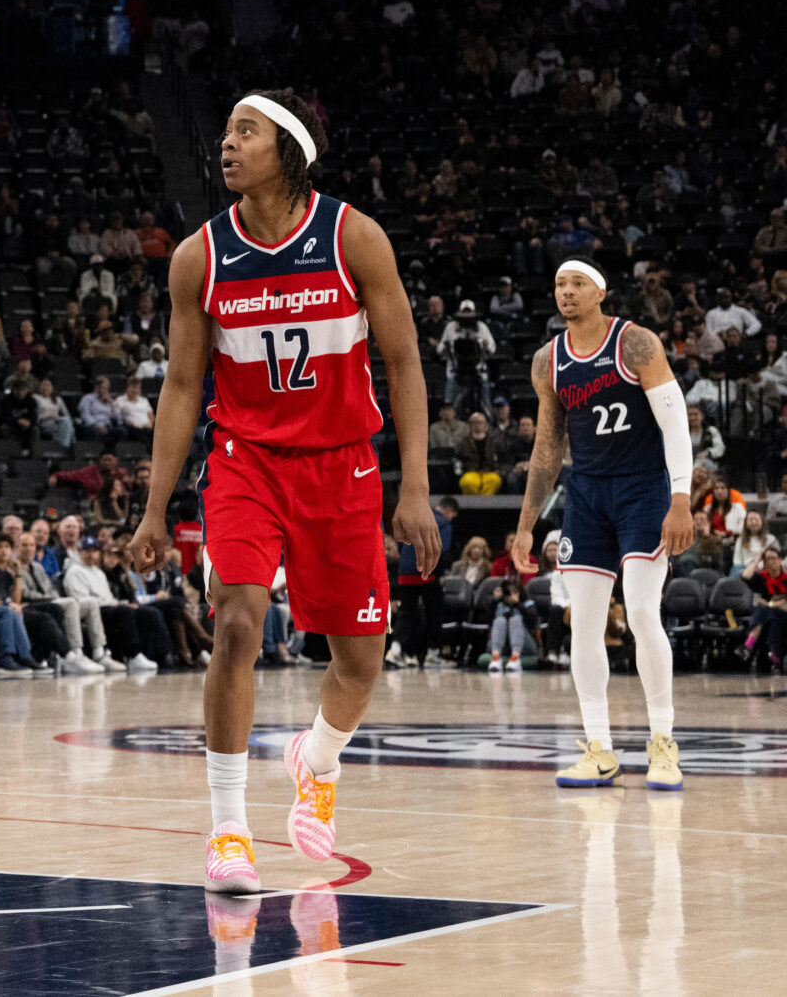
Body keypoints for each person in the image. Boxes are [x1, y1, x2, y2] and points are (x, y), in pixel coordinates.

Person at [130, 91, 439, 896]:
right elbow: (184, 383)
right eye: (226, 130)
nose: (227, 145)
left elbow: (403, 361)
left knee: (360, 661)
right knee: (235, 618)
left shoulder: (352, 237)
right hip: (246, 459)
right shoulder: (200, 256)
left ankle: (318, 759)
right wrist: (155, 505)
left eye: (246, 132)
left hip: (343, 463)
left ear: (289, 151)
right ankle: (229, 828)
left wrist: (416, 484)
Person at [509, 259, 696, 789]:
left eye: (577, 284)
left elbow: (674, 421)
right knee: (583, 625)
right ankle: (599, 748)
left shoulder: (636, 344)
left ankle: (663, 742)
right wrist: (527, 524)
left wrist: (679, 498)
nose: (566, 292)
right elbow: (547, 449)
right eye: (560, 285)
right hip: (587, 495)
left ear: (600, 292)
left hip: (643, 490)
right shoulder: (549, 360)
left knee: (640, 611)